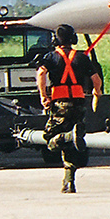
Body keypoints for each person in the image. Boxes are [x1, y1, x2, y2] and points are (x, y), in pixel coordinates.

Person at [37, 24, 103, 194]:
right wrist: (97, 92)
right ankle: (68, 182)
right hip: (79, 105)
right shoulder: (81, 58)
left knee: (50, 139)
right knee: (71, 146)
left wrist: (44, 96)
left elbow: (41, 74)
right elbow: (96, 79)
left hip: (60, 105)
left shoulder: (51, 57)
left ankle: (66, 136)